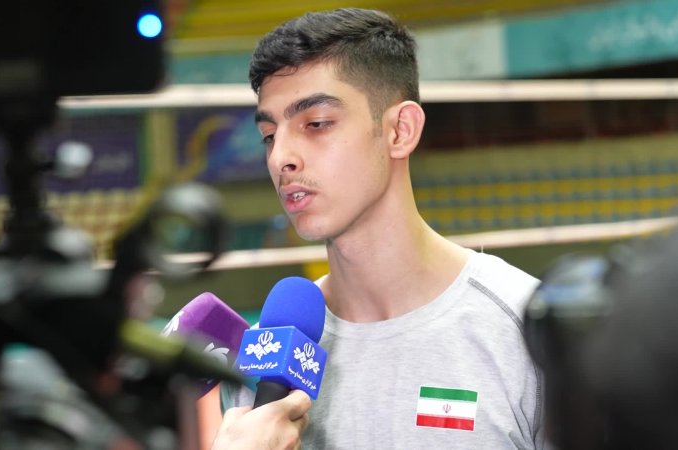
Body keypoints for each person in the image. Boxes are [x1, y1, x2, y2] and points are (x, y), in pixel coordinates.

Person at [218, 7, 547, 449]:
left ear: (399, 131)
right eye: (269, 135)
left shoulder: (525, 330)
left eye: (316, 124)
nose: (280, 158)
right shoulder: (262, 366)